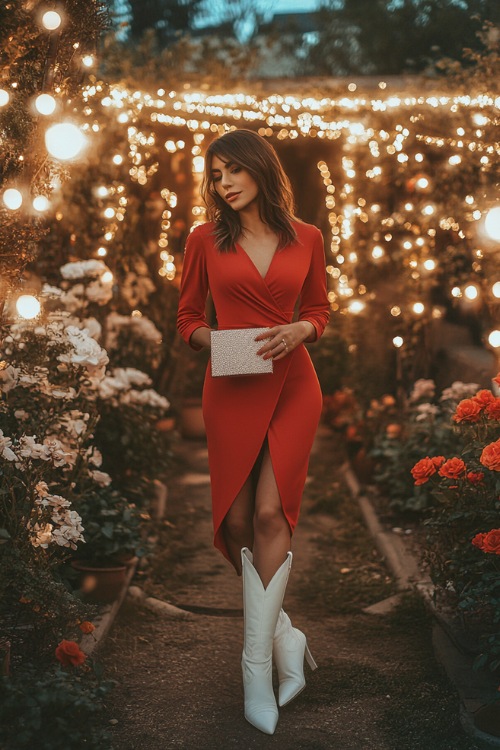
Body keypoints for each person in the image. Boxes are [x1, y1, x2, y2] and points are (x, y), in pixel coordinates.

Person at [176, 129, 330, 735]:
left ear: (262, 171)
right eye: (215, 176)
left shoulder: (308, 237)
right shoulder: (204, 241)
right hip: (232, 382)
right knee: (236, 524)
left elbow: (319, 309)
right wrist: (214, 341)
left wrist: (301, 332)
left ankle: (256, 669)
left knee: (271, 516)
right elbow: (188, 316)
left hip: (295, 384)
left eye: (233, 171)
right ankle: (287, 636)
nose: (224, 184)